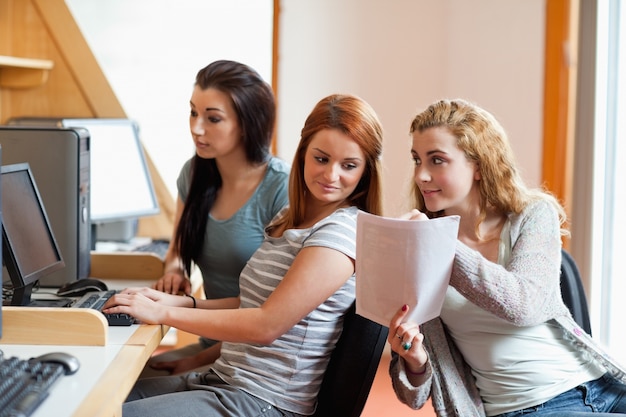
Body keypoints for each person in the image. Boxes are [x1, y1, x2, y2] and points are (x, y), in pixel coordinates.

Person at [103, 93, 384, 417]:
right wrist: (178, 302)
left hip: (263, 401)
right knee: (98, 401)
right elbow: (255, 301)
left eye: (349, 166)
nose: (331, 175)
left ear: (365, 172)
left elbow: (266, 324)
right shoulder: (289, 217)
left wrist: (164, 315)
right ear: (304, 153)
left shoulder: (341, 233)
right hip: (223, 380)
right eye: (321, 159)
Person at [388, 98, 626, 416]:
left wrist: (441, 245)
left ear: (478, 165)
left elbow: (523, 305)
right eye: (417, 160)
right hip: (528, 406)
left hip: (599, 384)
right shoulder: (415, 248)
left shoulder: (532, 215)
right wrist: (414, 361)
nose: (421, 175)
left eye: (437, 160)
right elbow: (413, 396)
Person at [143, 60, 290, 377]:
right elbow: (177, 251)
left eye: (213, 119)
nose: (196, 128)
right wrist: (175, 271)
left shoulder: (281, 189)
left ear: (248, 124)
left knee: (117, 401)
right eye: (193, 112)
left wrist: (195, 363)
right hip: (211, 346)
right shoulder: (194, 173)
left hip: (254, 358)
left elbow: (276, 317)